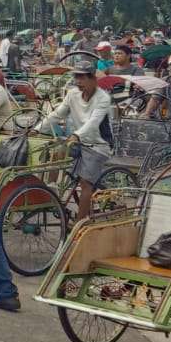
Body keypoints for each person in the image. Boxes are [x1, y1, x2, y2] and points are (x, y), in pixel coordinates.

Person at [40, 61, 112, 222]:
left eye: (82, 77)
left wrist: (77, 135)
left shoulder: (103, 98)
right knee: (55, 151)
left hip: (98, 145)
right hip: (77, 141)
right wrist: (38, 128)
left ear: (93, 78)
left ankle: (80, 223)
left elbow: (93, 123)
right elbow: (58, 114)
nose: (78, 81)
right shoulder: (72, 94)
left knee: (85, 184)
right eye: (76, 77)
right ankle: (53, 191)